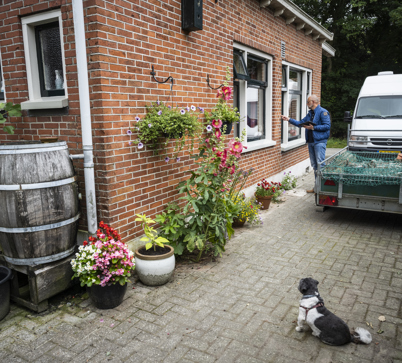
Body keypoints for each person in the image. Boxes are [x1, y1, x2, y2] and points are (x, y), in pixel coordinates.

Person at [281, 95, 331, 193]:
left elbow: (327, 126)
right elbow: (300, 123)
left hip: (319, 142)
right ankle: (317, 187)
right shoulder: (310, 114)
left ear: (313, 102)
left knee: (321, 165)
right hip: (311, 142)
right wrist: (288, 119)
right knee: (315, 165)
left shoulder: (323, 112)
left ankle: (323, 188)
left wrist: (313, 128)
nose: (307, 104)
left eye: (308, 102)